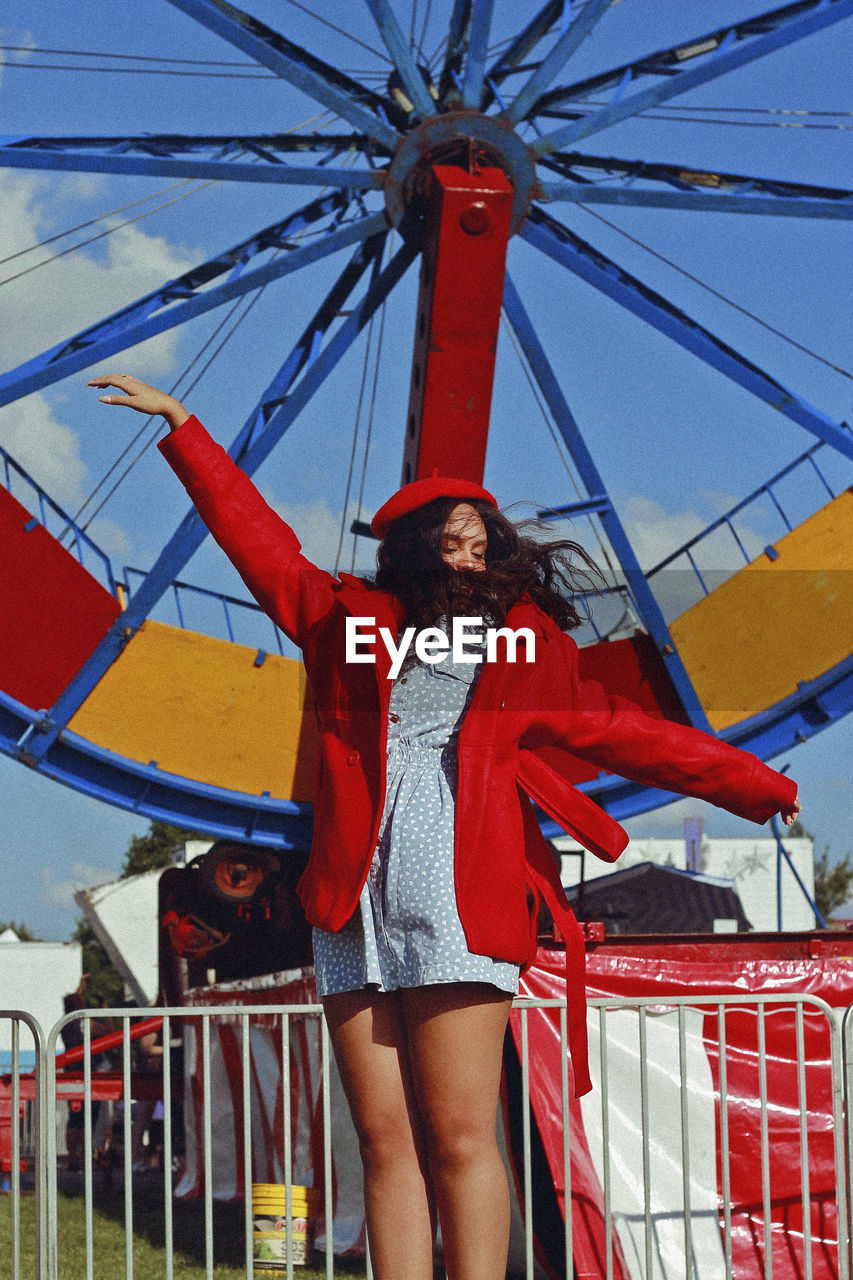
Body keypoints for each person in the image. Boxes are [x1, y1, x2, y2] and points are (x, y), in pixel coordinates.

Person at [90, 373, 800, 1280]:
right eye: (452, 542)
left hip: (462, 885)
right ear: (412, 549)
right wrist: (186, 428)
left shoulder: (525, 642)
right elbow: (257, 545)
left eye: (482, 543)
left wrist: (755, 785)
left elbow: (617, 731)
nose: (469, 557)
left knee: (462, 1137)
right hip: (351, 893)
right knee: (385, 1143)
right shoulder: (343, 615)